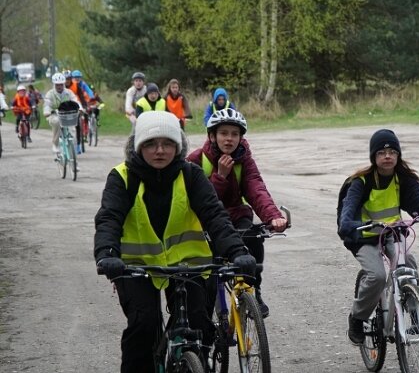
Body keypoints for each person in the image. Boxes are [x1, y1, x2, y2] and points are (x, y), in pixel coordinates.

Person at [94, 111, 256, 372]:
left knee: (199, 326)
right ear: (137, 146)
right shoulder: (122, 177)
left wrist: (237, 251)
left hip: (188, 263)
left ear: (178, 146)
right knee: (144, 325)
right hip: (136, 266)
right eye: (150, 143)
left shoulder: (190, 175)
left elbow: (215, 216)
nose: (160, 150)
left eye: (168, 143)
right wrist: (107, 253)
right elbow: (109, 218)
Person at [338, 129, 419, 345]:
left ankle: (415, 315)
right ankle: (357, 317)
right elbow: (348, 208)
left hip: (391, 233)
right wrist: (349, 225)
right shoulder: (360, 182)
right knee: (378, 276)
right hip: (363, 236)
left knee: (407, 263)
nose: (387, 156)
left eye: (392, 151)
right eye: (382, 153)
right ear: (374, 157)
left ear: (398, 155)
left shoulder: (403, 179)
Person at [186, 108, 286, 317]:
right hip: (203, 223)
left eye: (234, 134)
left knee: (254, 238)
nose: (229, 139)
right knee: (208, 278)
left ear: (241, 138)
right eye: (224, 133)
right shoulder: (195, 159)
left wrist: (273, 216)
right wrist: (220, 177)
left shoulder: (244, 159)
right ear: (212, 136)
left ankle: (253, 291)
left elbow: (256, 188)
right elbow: (198, 202)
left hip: (236, 216)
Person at [44, 72, 81, 154]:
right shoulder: (50, 94)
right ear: (54, 85)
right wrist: (47, 111)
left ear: (63, 84)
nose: (59, 86)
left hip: (66, 115)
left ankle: (73, 156)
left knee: (73, 129)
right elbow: (47, 103)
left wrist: (80, 108)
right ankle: (55, 144)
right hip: (54, 115)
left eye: (61, 84)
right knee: (57, 122)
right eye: (57, 85)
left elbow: (75, 100)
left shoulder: (68, 92)